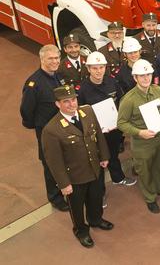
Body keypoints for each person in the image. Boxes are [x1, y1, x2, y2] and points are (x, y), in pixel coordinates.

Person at [42, 84, 112, 248]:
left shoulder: (86, 111)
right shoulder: (51, 130)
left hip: (94, 168)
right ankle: (81, 230)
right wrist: (64, 183)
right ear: (58, 104)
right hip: (75, 176)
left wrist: (104, 155)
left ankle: (95, 219)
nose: (71, 104)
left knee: (96, 198)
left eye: (73, 99)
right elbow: (54, 161)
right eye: (66, 101)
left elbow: (98, 135)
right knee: (77, 207)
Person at [78, 52, 135, 207]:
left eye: (101, 67)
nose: (98, 71)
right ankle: (99, 193)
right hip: (95, 133)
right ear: (88, 69)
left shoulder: (112, 82)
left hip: (113, 129)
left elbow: (121, 102)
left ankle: (118, 177)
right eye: (94, 68)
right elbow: (80, 113)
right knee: (97, 162)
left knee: (113, 154)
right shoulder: (83, 89)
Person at [117, 59, 160, 214]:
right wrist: (139, 132)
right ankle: (150, 197)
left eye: (148, 74)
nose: (146, 78)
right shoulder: (129, 100)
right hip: (142, 142)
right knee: (145, 171)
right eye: (142, 76)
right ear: (135, 78)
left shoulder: (157, 90)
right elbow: (121, 123)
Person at [20, 44, 65, 211]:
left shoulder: (59, 77)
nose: (54, 61)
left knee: (64, 158)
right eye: (50, 58)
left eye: (57, 58)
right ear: (42, 59)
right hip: (47, 131)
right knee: (50, 163)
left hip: (62, 127)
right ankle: (55, 197)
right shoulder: (34, 83)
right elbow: (26, 109)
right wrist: (37, 126)